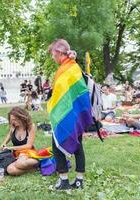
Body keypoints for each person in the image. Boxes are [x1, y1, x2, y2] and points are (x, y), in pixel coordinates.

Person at [48, 39, 93, 190]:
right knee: (78, 145)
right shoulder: (74, 66)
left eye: (52, 54)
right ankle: (79, 181)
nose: (52, 57)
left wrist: (55, 108)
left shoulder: (65, 69)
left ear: (59, 52)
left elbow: (61, 95)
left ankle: (64, 180)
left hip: (65, 114)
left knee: (57, 144)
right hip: (76, 113)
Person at [1, 107, 38, 176]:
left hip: (28, 152)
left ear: (21, 117)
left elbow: (28, 146)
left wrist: (10, 148)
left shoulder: (30, 126)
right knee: (10, 170)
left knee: (19, 164)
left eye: (15, 119)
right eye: (12, 120)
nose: (13, 122)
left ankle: (38, 161)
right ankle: (32, 169)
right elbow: (9, 134)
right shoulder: (13, 126)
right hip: (17, 154)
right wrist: (4, 143)